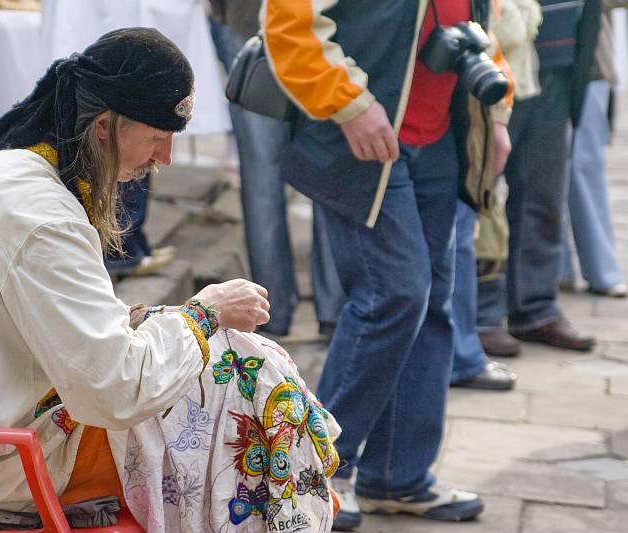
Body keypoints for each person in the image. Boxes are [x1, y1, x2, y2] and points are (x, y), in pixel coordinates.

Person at [0, 28, 339, 531]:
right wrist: (205, 312)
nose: (164, 159)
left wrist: (175, 322)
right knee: (246, 398)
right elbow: (116, 391)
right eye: (156, 137)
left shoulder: (14, 175)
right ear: (105, 125)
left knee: (242, 367)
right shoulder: (41, 216)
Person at [262, 0, 513, 528]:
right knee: (392, 296)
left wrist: (494, 115)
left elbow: (477, 24)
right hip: (363, 137)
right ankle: (317, 471)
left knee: (430, 304)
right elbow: (290, 22)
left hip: (439, 137)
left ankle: (398, 477)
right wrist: (350, 104)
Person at [208, 0, 346, 338]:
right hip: (317, 23)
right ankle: (329, 312)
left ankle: (271, 313)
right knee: (326, 168)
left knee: (263, 177)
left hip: (259, 22)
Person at [493, 0, 600, 351]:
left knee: (544, 197)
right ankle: (481, 315)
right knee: (481, 202)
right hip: (497, 58)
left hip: (560, 57)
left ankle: (535, 309)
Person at [451, 0, 543, 388]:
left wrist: (497, 119)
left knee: (464, 238)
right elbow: (507, 29)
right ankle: (461, 352)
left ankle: (463, 353)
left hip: (474, 108)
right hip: (442, 113)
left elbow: (500, 32)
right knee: (457, 243)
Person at [560, 0, 628, 298]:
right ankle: (557, 268)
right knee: (545, 174)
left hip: (588, 68)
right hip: (544, 65)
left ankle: (600, 270)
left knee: (583, 168)